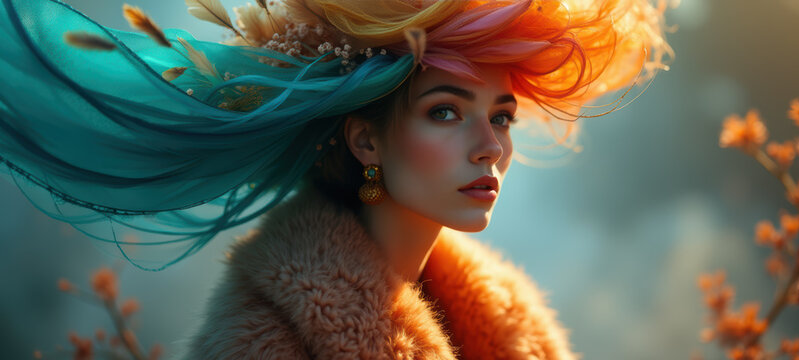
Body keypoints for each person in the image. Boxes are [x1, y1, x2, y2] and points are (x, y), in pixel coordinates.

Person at [0, 0, 672, 358]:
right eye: (445, 112)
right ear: (365, 138)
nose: (488, 146)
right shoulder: (264, 343)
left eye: (501, 117)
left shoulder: (510, 320)